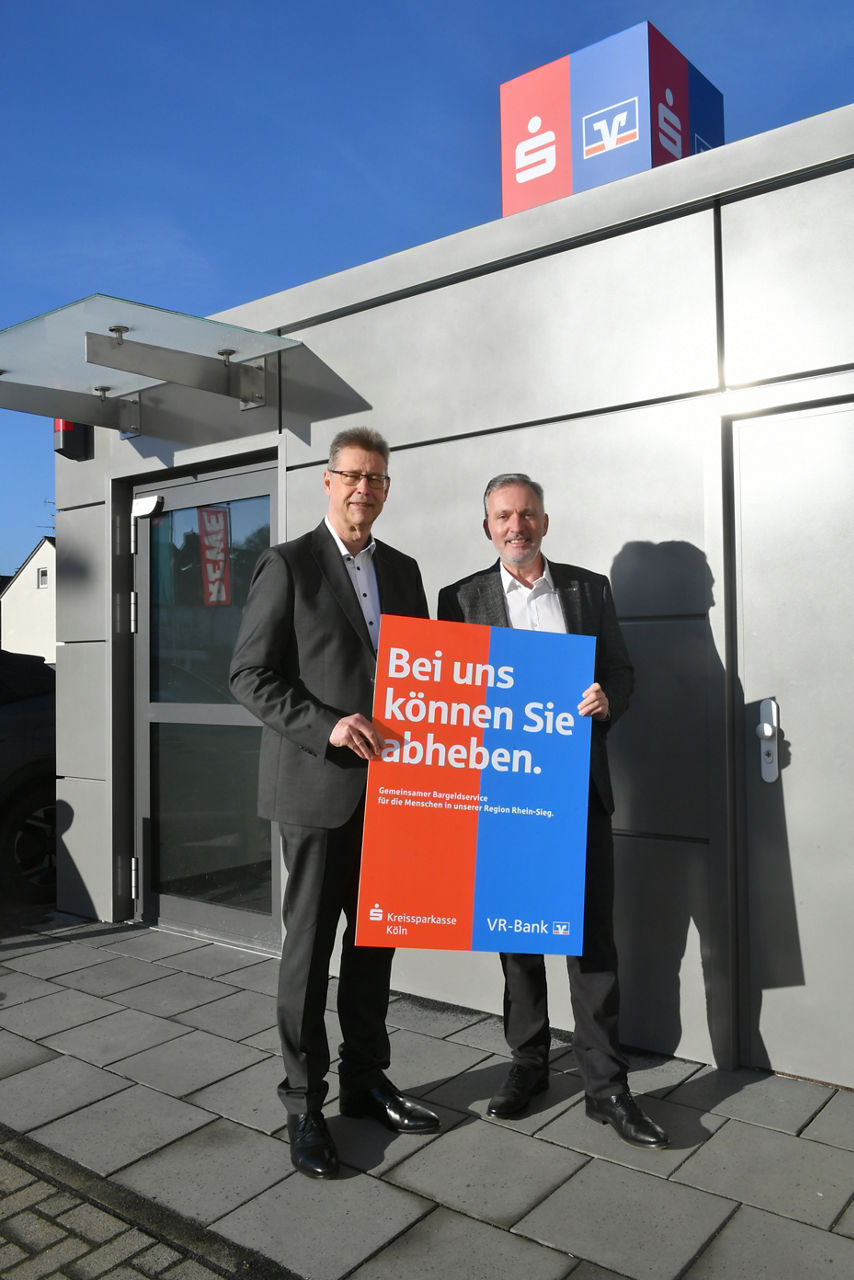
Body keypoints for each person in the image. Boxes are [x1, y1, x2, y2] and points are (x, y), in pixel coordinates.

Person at [229, 427, 439, 1179]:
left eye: (376, 479)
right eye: (351, 476)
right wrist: (330, 726)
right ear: (327, 481)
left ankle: (364, 1083)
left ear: (387, 488)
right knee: (309, 955)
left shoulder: (407, 573)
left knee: (376, 946)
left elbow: (429, 677)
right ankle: (302, 1105)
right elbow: (249, 675)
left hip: (395, 795)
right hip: (316, 794)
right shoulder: (287, 564)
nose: (363, 489)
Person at [437, 473, 668, 1149]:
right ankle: (528, 1066)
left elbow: (621, 673)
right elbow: (451, 696)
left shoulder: (588, 589)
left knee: (591, 939)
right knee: (516, 939)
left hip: (577, 788)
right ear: (488, 527)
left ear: (545, 521)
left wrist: (606, 702)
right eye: (504, 516)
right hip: (504, 794)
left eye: (528, 514)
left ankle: (606, 1087)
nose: (517, 525)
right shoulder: (459, 599)